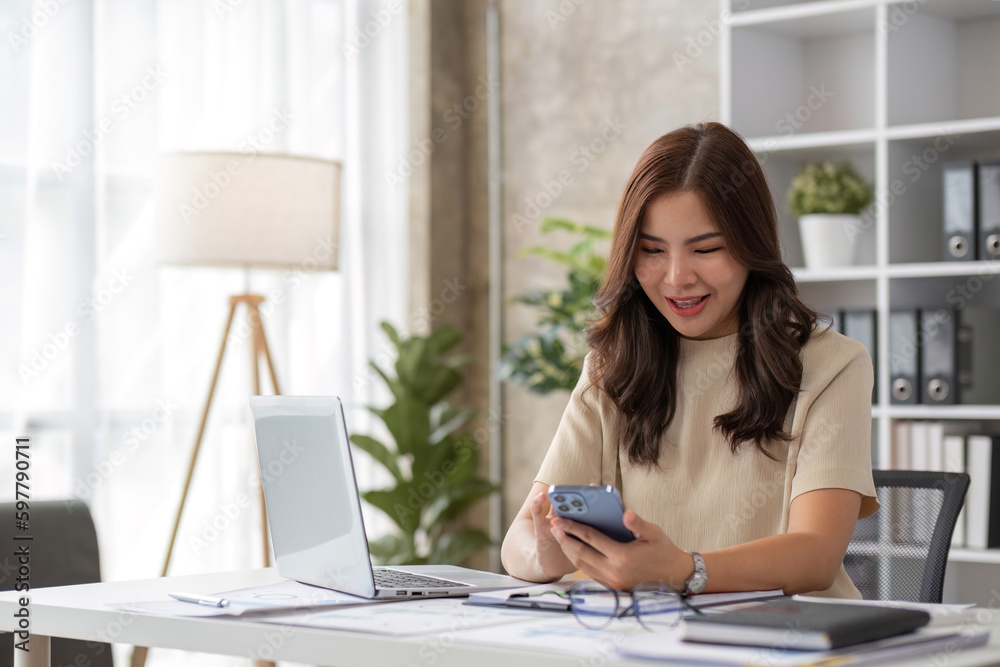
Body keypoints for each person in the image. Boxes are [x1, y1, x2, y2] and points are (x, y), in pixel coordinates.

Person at [500, 122, 878, 599]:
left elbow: (816, 556)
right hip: (651, 641)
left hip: (789, 643)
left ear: (751, 246)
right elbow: (516, 545)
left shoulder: (833, 365)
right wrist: (546, 552)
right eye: (652, 251)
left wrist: (682, 569)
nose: (677, 277)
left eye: (706, 249)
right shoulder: (613, 366)